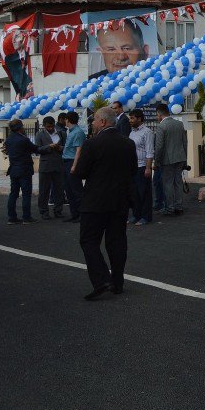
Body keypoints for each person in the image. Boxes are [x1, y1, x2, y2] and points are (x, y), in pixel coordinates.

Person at [72, 107, 137, 300]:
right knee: (117, 242)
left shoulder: (92, 144)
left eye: (94, 121)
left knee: (89, 240)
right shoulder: (128, 143)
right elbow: (133, 170)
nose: (91, 123)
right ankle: (117, 282)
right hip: (120, 201)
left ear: (102, 122)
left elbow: (81, 172)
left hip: (95, 201)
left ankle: (101, 279)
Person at [153, 103, 187, 216]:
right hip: (180, 158)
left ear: (159, 114)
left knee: (168, 184)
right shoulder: (179, 124)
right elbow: (184, 142)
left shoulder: (161, 127)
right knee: (178, 182)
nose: (156, 118)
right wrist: (184, 158)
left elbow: (159, 146)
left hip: (167, 160)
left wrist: (156, 161)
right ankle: (179, 207)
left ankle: (170, 208)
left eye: (156, 115)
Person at [3, 119, 38, 224]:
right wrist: (49, 147)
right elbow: (35, 149)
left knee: (13, 194)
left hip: (13, 169)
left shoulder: (8, 140)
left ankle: (12, 218)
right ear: (20, 128)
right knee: (26, 194)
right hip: (24, 170)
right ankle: (26, 217)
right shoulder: (24, 140)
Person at [34, 116, 66, 219]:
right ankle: (44, 211)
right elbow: (37, 149)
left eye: (52, 126)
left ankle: (58, 210)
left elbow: (67, 148)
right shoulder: (39, 134)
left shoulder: (61, 133)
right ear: (44, 126)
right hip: (45, 166)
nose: (51, 128)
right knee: (44, 190)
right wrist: (49, 146)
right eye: (48, 127)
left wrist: (61, 148)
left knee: (59, 190)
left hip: (58, 165)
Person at [127, 109, 154, 226]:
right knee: (134, 193)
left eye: (132, 118)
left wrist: (148, 168)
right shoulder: (131, 133)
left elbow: (150, 151)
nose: (130, 120)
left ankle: (145, 217)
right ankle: (136, 215)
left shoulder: (147, 132)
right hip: (132, 167)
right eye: (130, 118)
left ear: (139, 119)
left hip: (143, 166)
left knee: (144, 193)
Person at [62, 110, 86, 222]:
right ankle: (74, 213)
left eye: (65, 119)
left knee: (76, 190)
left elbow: (79, 151)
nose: (64, 122)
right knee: (69, 190)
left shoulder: (77, 132)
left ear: (68, 120)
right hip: (66, 162)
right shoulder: (71, 132)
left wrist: (74, 166)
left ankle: (81, 214)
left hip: (72, 162)